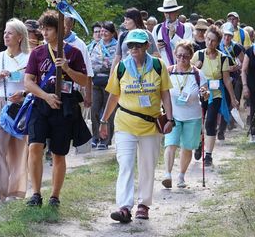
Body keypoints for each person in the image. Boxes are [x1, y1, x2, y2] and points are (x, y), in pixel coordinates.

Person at [99, 29, 174, 223]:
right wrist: (103, 120)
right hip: (125, 122)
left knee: (147, 166)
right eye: (130, 45)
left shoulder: (158, 66)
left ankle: (144, 205)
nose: (133, 49)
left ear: (147, 46)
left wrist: (171, 119)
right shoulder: (122, 67)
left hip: (150, 124)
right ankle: (124, 207)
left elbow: (165, 93)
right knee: (125, 164)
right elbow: (114, 95)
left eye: (138, 45)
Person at [24, 10, 91, 207]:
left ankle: (55, 196)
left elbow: (84, 81)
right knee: (34, 147)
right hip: (40, 105)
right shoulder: (37, 53)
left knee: (58, 152)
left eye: (49, 29)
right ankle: (35, 194)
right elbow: (28, 82)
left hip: (64, 107)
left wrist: (68, 68)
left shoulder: (74, 52)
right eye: (42, 29)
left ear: (60, 30)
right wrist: (45, 96)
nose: (44, 33)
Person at [0, 18, 30, 204]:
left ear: (20, 37)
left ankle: (13, 191)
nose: (5, 35)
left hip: (19, 107)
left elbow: (32, 82)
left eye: (10, 32)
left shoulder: (28, 57)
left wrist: (24, 93)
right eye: (4, 32)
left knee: (17, 151)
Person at [191, 25, 239, 166]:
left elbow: (226, 79)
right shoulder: (198, 55)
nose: (209, 43)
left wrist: (233, 98)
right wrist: (196, 67)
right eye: (207, 39)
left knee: (210, 122)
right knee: (198, 122)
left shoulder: (222, 58)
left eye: (213, 41)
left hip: (216, 94)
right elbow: (187, 74)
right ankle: (199, 143)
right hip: (200, 93)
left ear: (218, 42)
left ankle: (209, 155)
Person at [162, 41, 207, 189]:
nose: (182, 59)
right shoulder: (168, 72)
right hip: (173, 116)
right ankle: (167, 175)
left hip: (192, 117)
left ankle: (181, 176)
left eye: (186, 56)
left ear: (191, 57)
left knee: (187, 147)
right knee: (170, 144)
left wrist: (204, 94)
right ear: (175, 55)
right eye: (179, 55)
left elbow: (205, 94)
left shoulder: (198, 74)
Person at [90, 21, 119, 149]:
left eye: (106, 31)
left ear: (112, 33)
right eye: (102, 31)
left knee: (109, 111)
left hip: (110, 82)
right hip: (96, 81)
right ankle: (95, 136)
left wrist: (104, 64)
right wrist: (103, 64)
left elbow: (116, 63)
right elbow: (92, 62)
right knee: (95, 109)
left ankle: (105, 140)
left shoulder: (117, 46)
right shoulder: (96, 45)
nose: (103, 33)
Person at [216, 22, 245, 141]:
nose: (227, 38)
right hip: (217, 78)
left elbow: (243, 62)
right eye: (225, 35)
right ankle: (214, 127)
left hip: (231, 79)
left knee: (227, 104)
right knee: (217, 103)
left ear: (232, 36)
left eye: (229, 36)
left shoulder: (236, 47)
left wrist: (236, 67)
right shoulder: (217, 46)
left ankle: (222, 130)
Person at [111, 7, 160, 73]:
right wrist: (111, 77)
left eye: (127, 20)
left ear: (135, 20)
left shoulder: (146, 34)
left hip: (145, 72)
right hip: (125, 72)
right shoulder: (123, 36)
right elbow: (117, 57)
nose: (124, 22)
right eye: (124, 20)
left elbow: (156, 55)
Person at [153, 0, 193, 66]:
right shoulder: (157, 28)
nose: (168, 15)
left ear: (177, 12)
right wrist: (157, 47)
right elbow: (152, 51)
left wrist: (174, 36)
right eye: (166, 12)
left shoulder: (186, 28)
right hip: (162, 67)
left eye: (171, 12)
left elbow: (188, 48)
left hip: (181, 67)